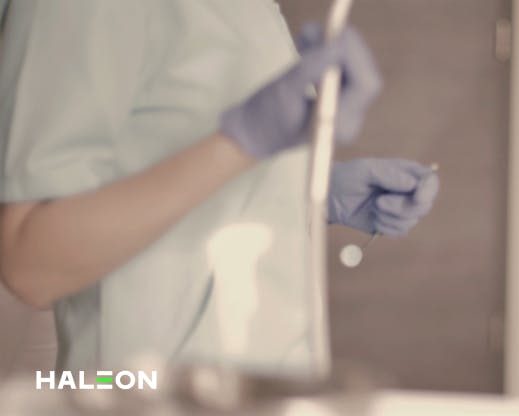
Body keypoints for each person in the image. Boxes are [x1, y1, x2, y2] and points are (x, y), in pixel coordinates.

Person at [0, 1, 438, 372]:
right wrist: (242, 140)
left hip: (264, 383)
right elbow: (31, 263)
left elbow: (167, 147)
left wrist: (310, 193)